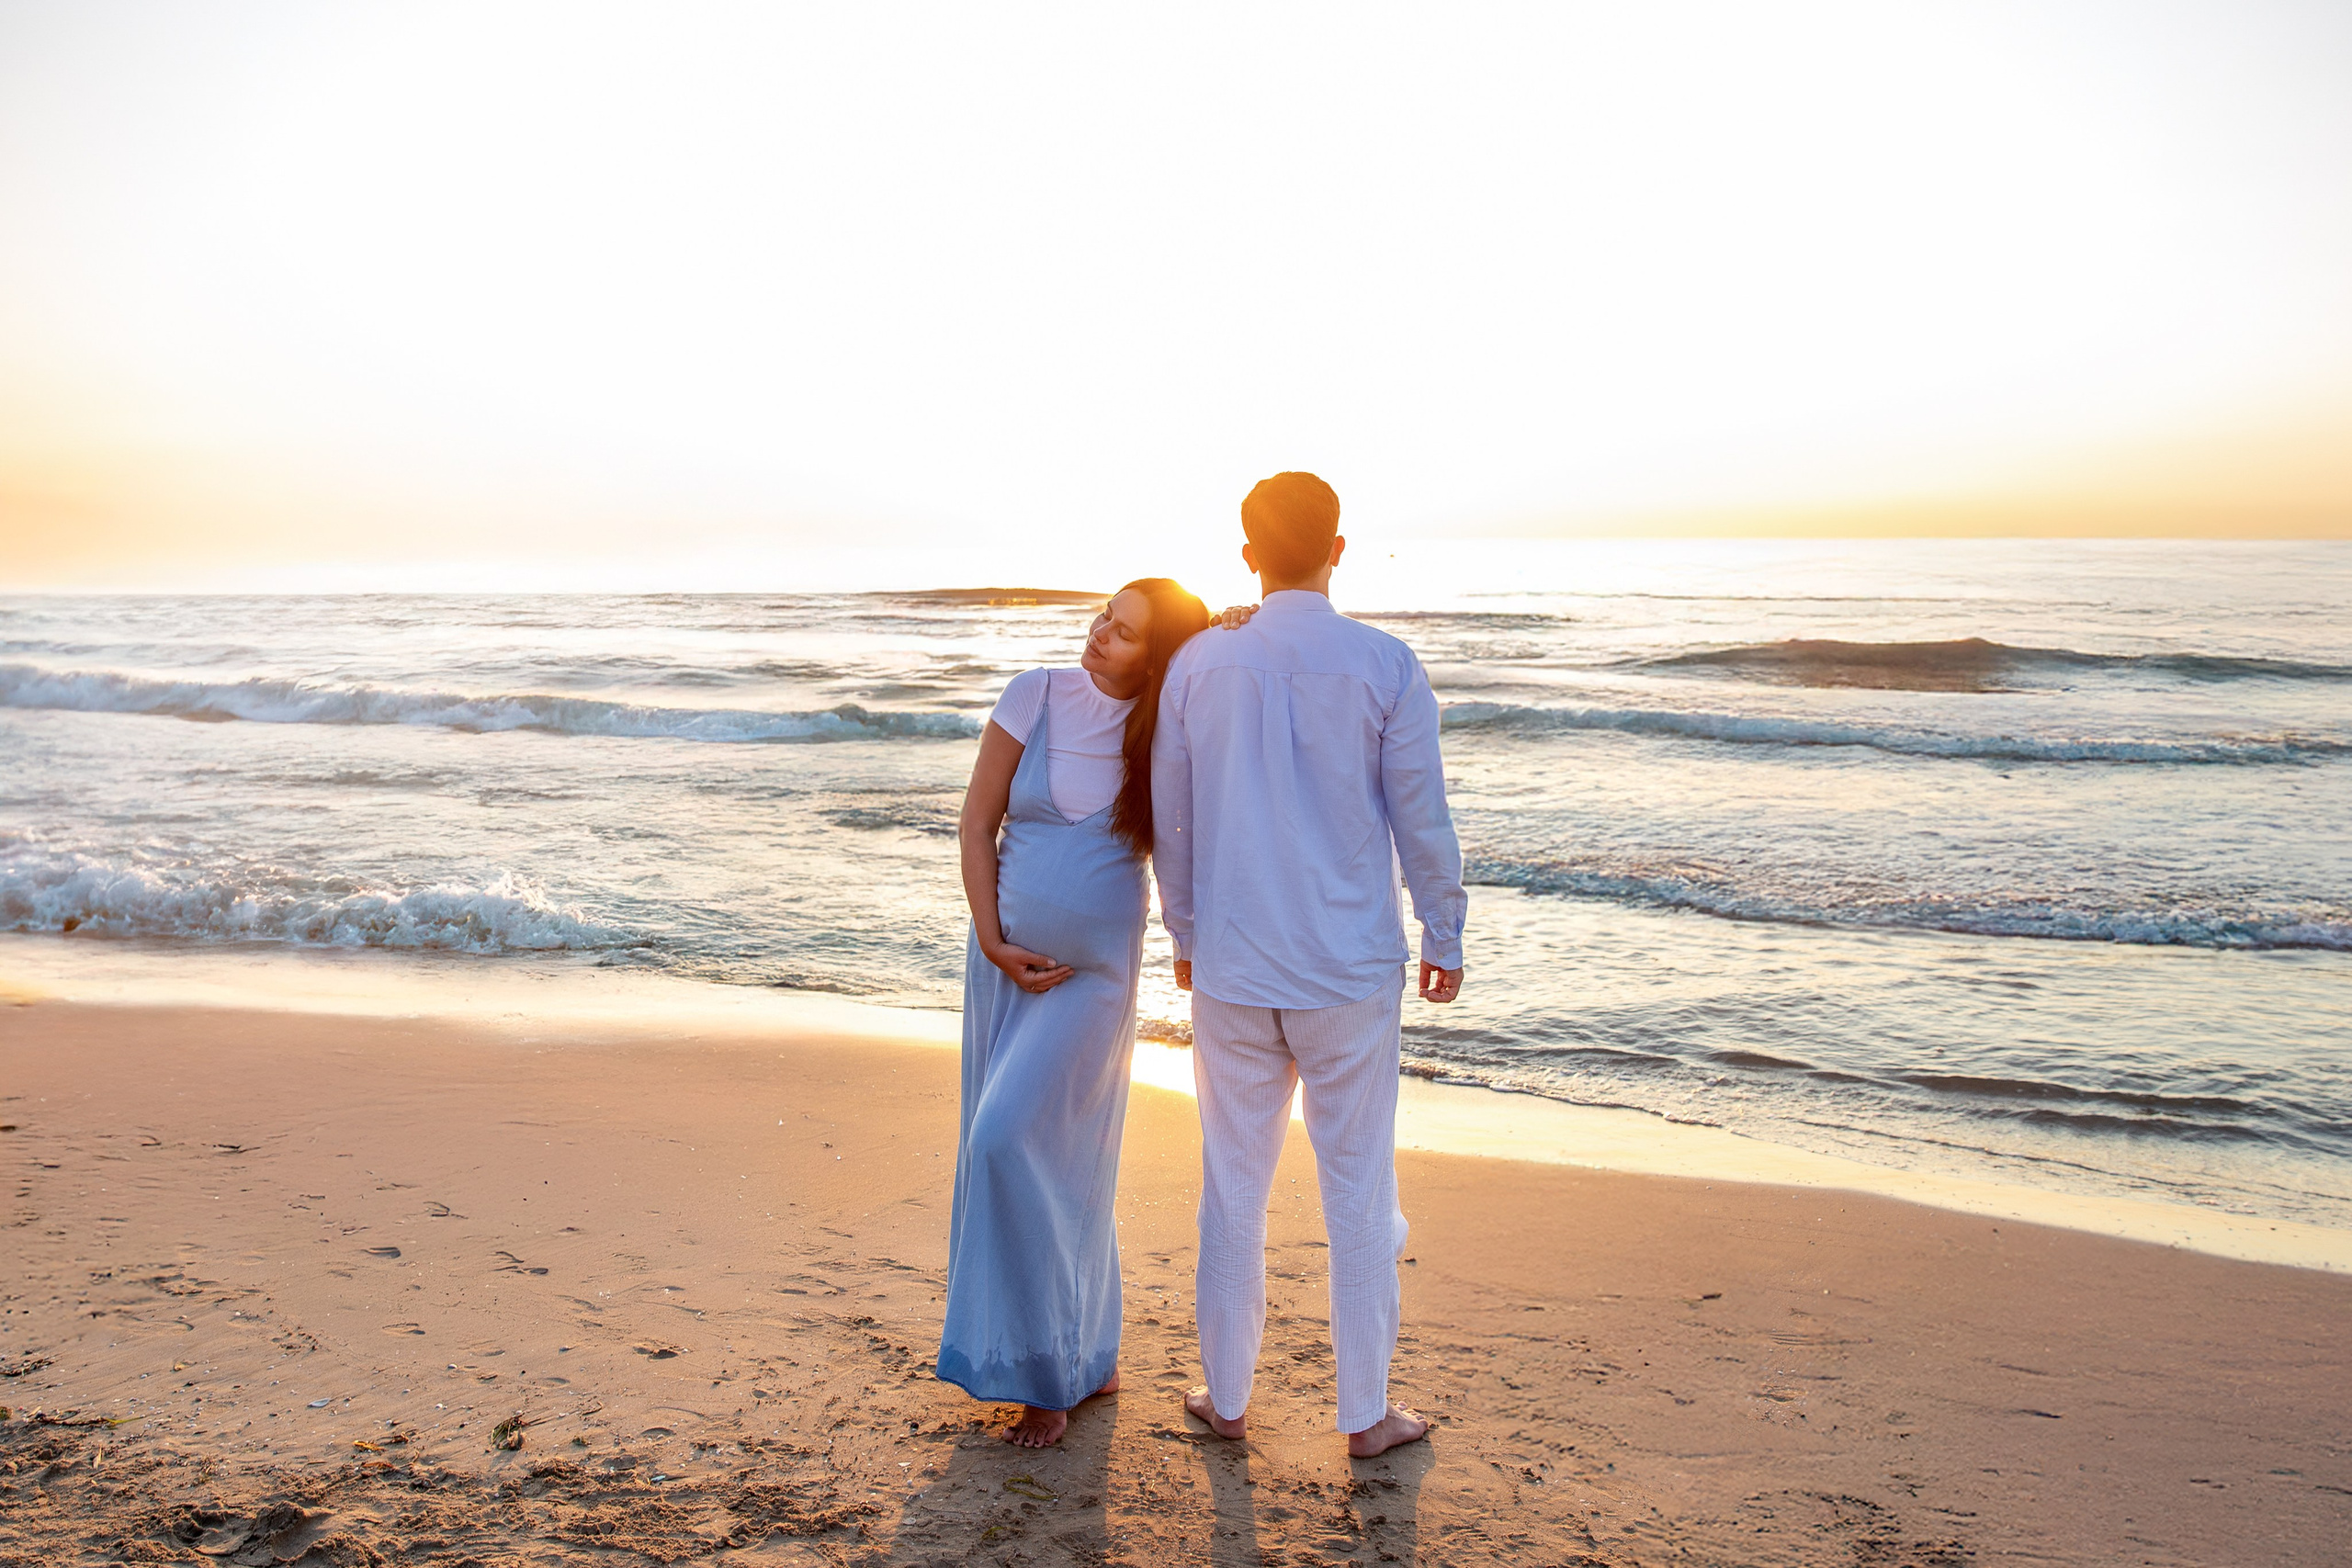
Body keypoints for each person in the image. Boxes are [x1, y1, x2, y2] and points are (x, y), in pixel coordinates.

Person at [1151, 471, 1467, 1459]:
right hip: (1348, 971)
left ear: (1249, 554)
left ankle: (1231, 1400)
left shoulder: (1201, 665)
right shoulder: (1383, 664)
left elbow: (1176, 817)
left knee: (1233, 1187)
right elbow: (1420, 816)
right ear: (1339, 547)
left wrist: (1187, 936)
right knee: (1358, 1189)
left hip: (1237, 965)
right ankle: (1366, 1416)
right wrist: (1443, 935)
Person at [937, 577, 1213, 1447]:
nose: (1100, 635)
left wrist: (1197, 943)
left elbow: (1191, 846)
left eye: (1126, 632)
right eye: (1103, 617)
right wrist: (990, 936)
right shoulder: (1036, 693)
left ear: (1156, 656)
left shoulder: (1165, 733)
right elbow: (977, 822)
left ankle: (1056, 1374)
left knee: (1030, 1144)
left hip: (1096, 975)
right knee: (1017, 1146)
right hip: (1007, 967)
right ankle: (1081, 1354)